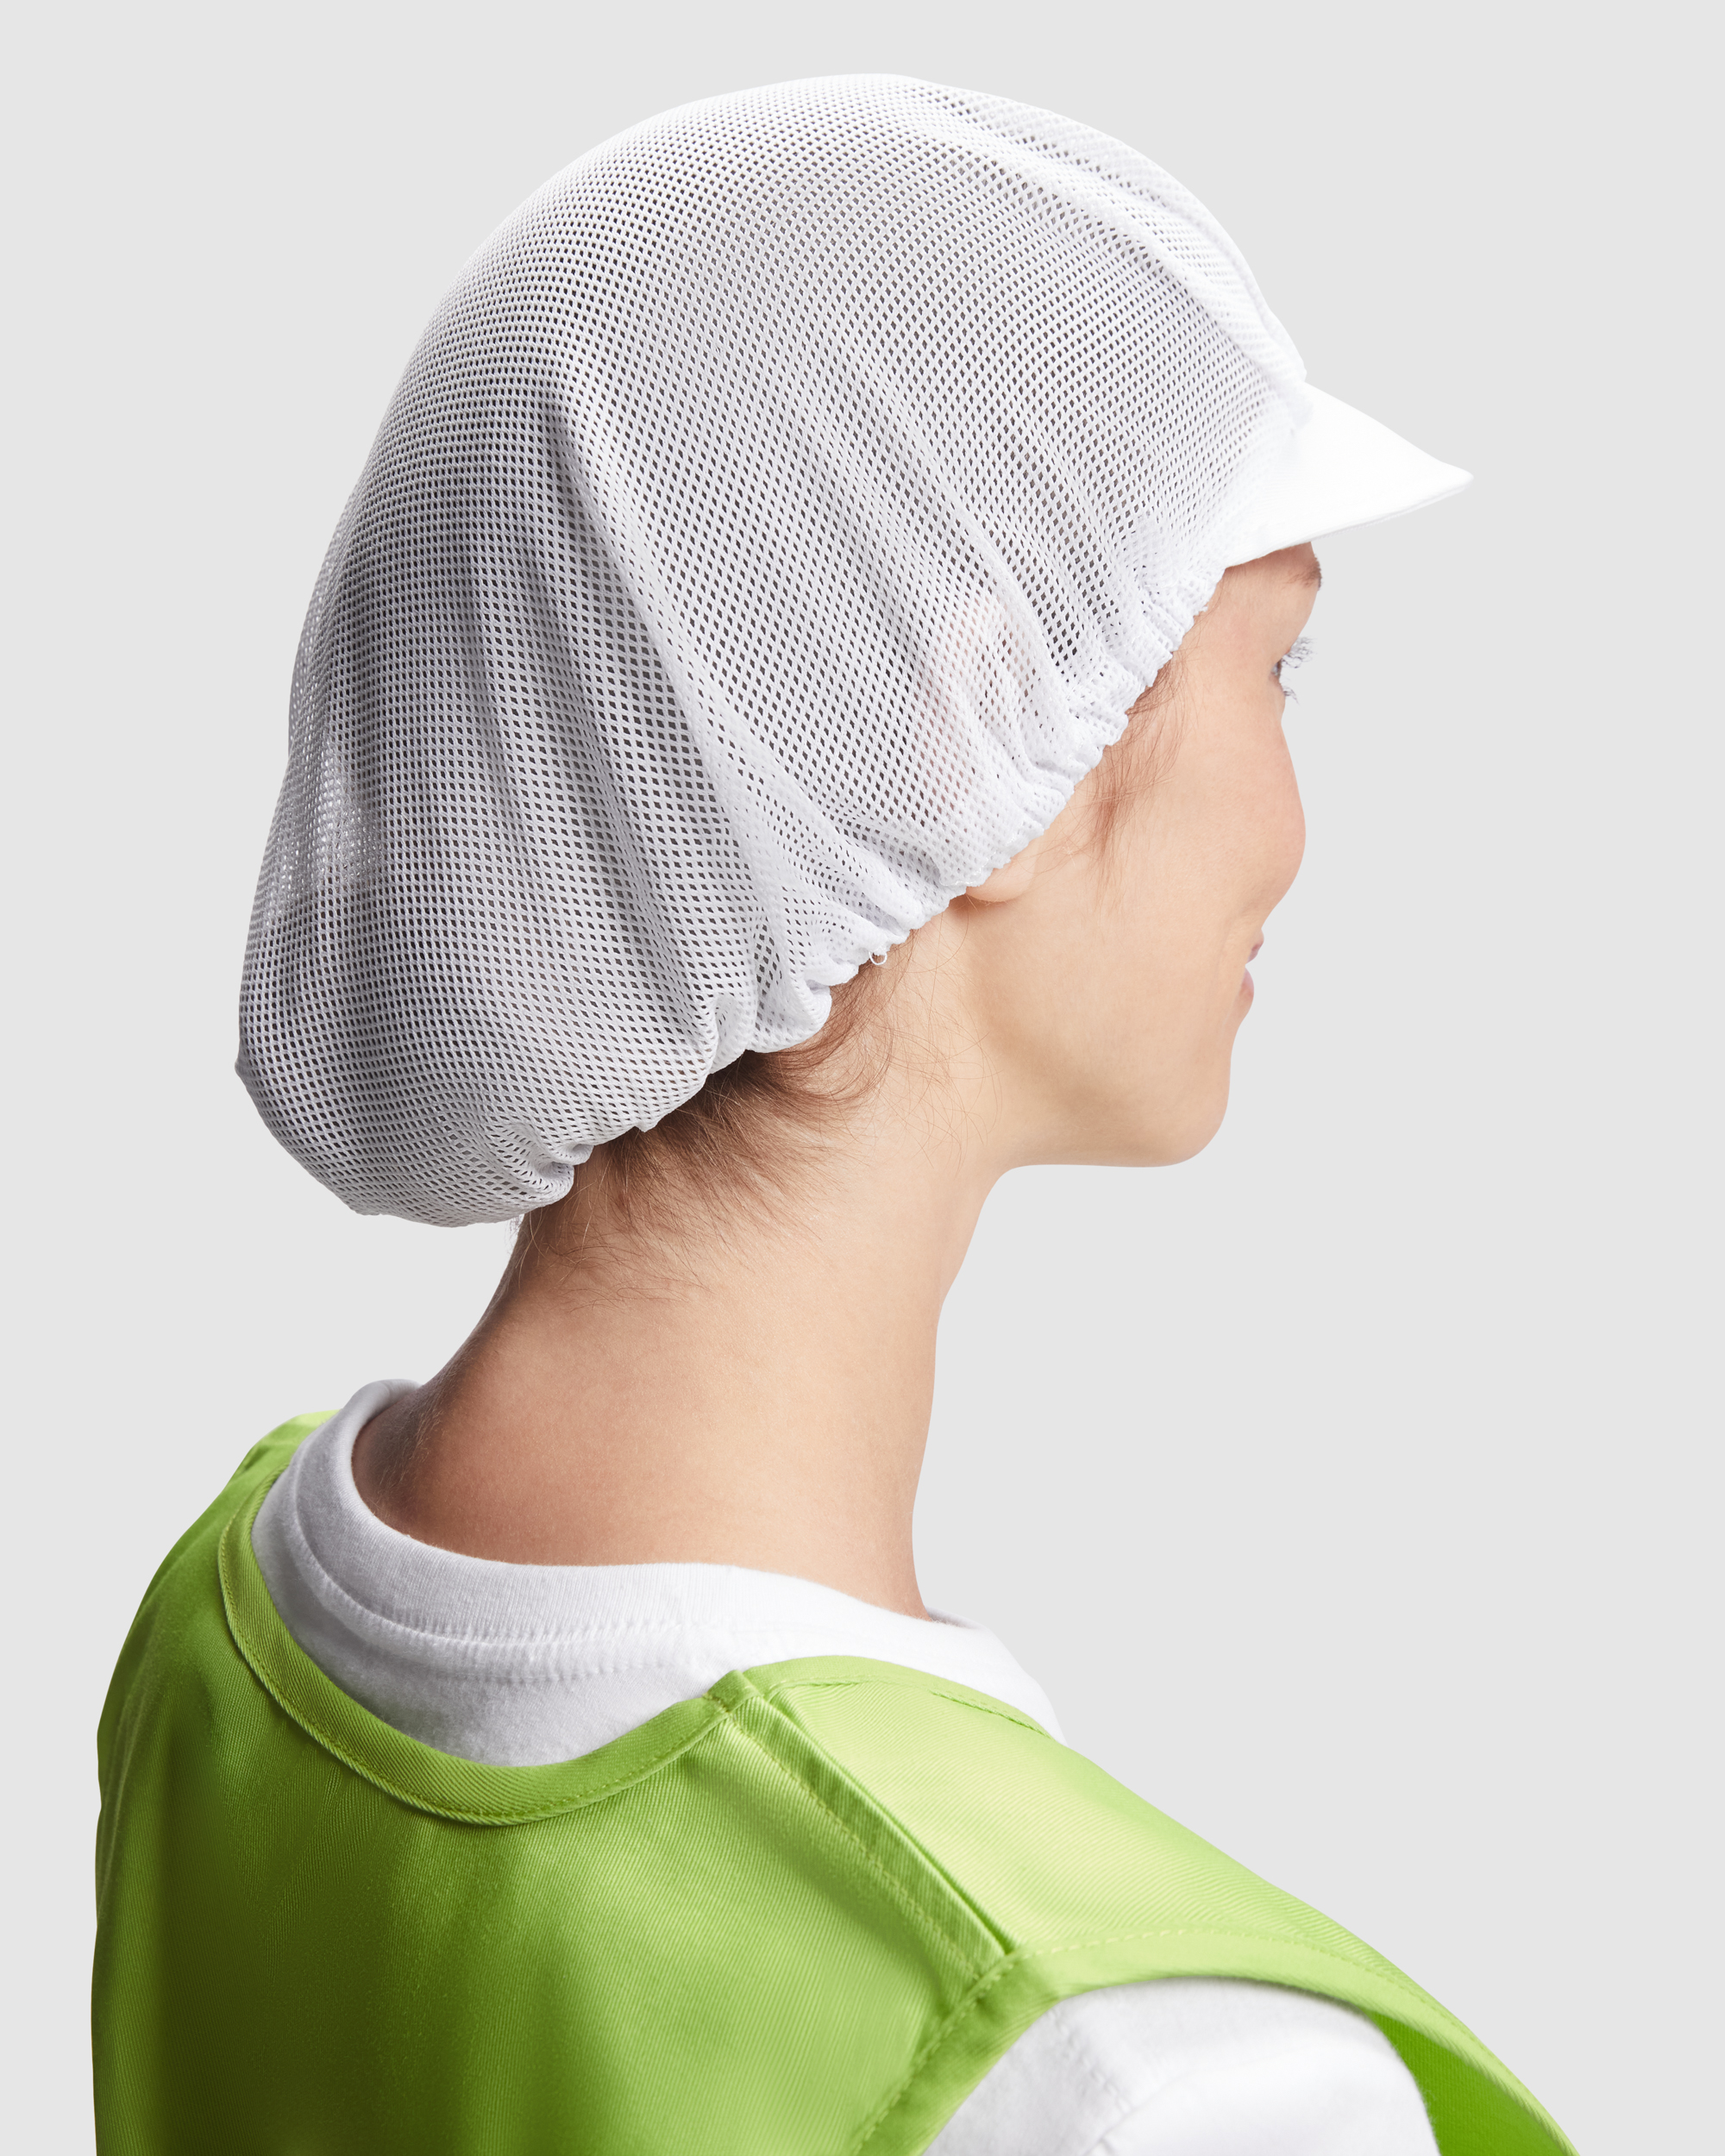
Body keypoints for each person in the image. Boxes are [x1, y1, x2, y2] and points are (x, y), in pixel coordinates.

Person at [93, 76, 1574, 2155]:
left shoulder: (229, 1624)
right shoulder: (1144, 2082)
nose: (1297, 821)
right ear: (984, 725)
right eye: (1277, 670)